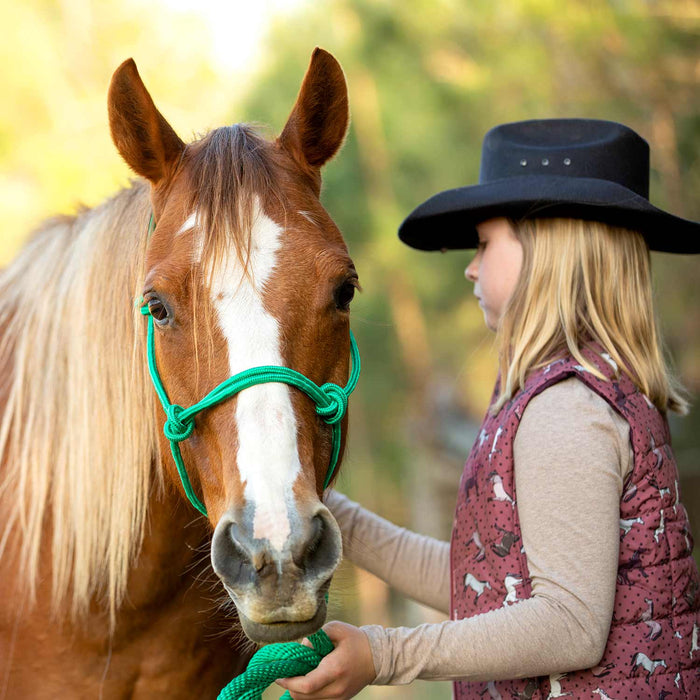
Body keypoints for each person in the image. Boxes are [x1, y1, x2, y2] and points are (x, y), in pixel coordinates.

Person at [275, 119, 700, 699]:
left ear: (550, 247)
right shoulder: (569, 393)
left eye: (483, 244)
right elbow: (487, 584)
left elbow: (570, 624)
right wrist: (328, 507)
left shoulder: (567, 411)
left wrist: (387, 654)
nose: (471, 267)